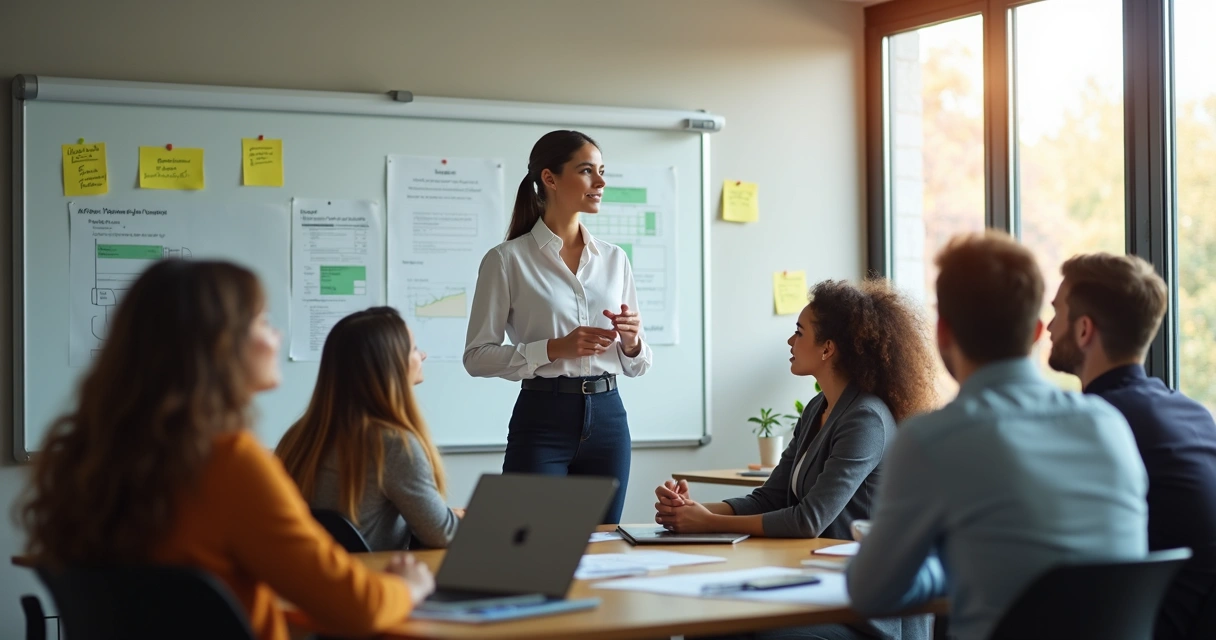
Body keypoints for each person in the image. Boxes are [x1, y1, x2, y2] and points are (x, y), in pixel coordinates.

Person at [19, 261, 434, 640]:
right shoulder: (230, 465)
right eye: (263, 322)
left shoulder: (88, 462)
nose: (277, 336)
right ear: (220, 346)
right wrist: (406, 586)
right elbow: (357, 608)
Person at [846, 232, 1149, 640]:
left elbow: (871, 593)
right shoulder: (1109, 425)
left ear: (943, 332)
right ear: (1037, 331)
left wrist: (941, 565)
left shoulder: (934, 439)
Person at [663, 278, 938, 640]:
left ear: (828, 349)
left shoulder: (866, 419)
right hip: (817, 583)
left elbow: (808, 520)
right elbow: (771, 497)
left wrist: (709, 523)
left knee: (735, 631)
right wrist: (691, 511)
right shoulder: (817, 409)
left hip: (865, 609)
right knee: (709, 625)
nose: (790, 342)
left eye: (799, 332)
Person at [464, 130, 651, 524]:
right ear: (549, 178)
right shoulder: (506, 260)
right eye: (586, 171)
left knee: (603, 544)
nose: (600, 183)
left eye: (602, 172)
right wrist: (553, 349)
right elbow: (476, 357)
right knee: (531, 544)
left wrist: (632, 342)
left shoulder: (615, 259)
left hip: (609, 419)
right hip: (543, 418)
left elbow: (637, 364)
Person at [1047, 252, 1216, 640]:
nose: (1050, 327)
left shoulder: (1092, 424)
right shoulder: (1194, 415)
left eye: (1057, 312)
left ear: (1084, 330)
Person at [277, 307, 463, 551]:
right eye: (414, 348)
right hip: (369, 573)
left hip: (306, 574)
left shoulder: (298, 436)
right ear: (391, 366)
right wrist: (461, 519)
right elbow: (443, 535)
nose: (423, 355)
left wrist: (445, 517)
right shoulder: (392, 445)